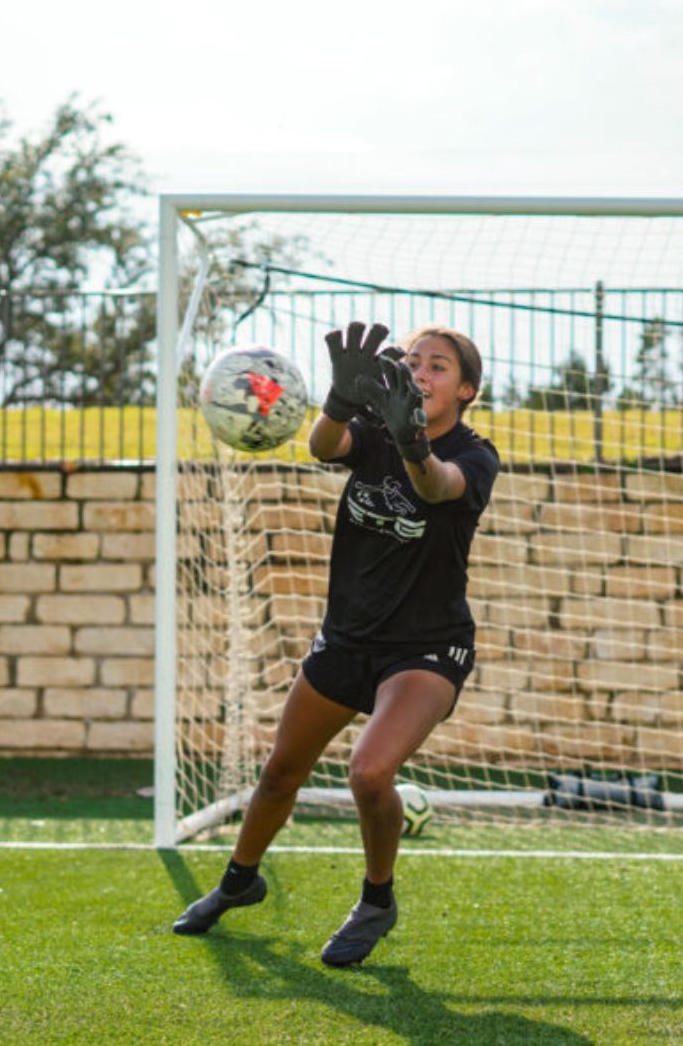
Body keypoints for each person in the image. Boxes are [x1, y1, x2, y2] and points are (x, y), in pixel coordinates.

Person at [172, 321, 500, 967]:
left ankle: (376, 900)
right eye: (413, 360)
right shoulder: (374, 431)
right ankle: (241, 881)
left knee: (370, 772)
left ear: (466, 391)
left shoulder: (475, 454)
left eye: (438, 366)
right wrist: (341, 403)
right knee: (279, 775)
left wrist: (410, 440)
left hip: (427, 649)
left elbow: (435, 485)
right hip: (347, 637)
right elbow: (326, 447)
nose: (422, 371)